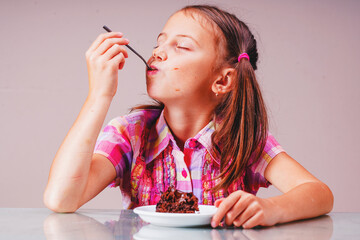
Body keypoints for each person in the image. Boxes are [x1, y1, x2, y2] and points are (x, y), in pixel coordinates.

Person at [44, 5, 333, 228]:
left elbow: (319, 193)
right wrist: (99, 96)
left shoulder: (240, 139)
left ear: (222, 81)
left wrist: (272, 209)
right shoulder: (130, 135)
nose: (158, 52)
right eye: (159, 42)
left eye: (180, 46)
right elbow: (61, 199)